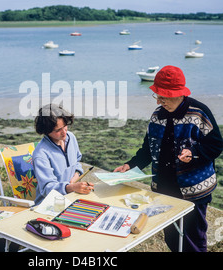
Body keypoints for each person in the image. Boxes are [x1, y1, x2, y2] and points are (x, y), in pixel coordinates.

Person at [114, 65, 223, 252]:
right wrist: (130, 165)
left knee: (194, 239)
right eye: (157, 95)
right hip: (164, 189)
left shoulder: (199, 112)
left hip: (194, 191)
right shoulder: (157, 115)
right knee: (172, 238)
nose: (159, 100)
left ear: (179, 94)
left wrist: (194, 154)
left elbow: (216, 145)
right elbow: (147, 150)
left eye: (164, 96)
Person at [33, 104, 94, 205]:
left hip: (71, 197)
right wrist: (71, 187)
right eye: (58, 130)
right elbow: (47, 188)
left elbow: (77, 161)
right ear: (46, 131)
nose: (64, 132)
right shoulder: (41, 154)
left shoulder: (71, 137)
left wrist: (76, 175)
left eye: (65, 126)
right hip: (49, 204)